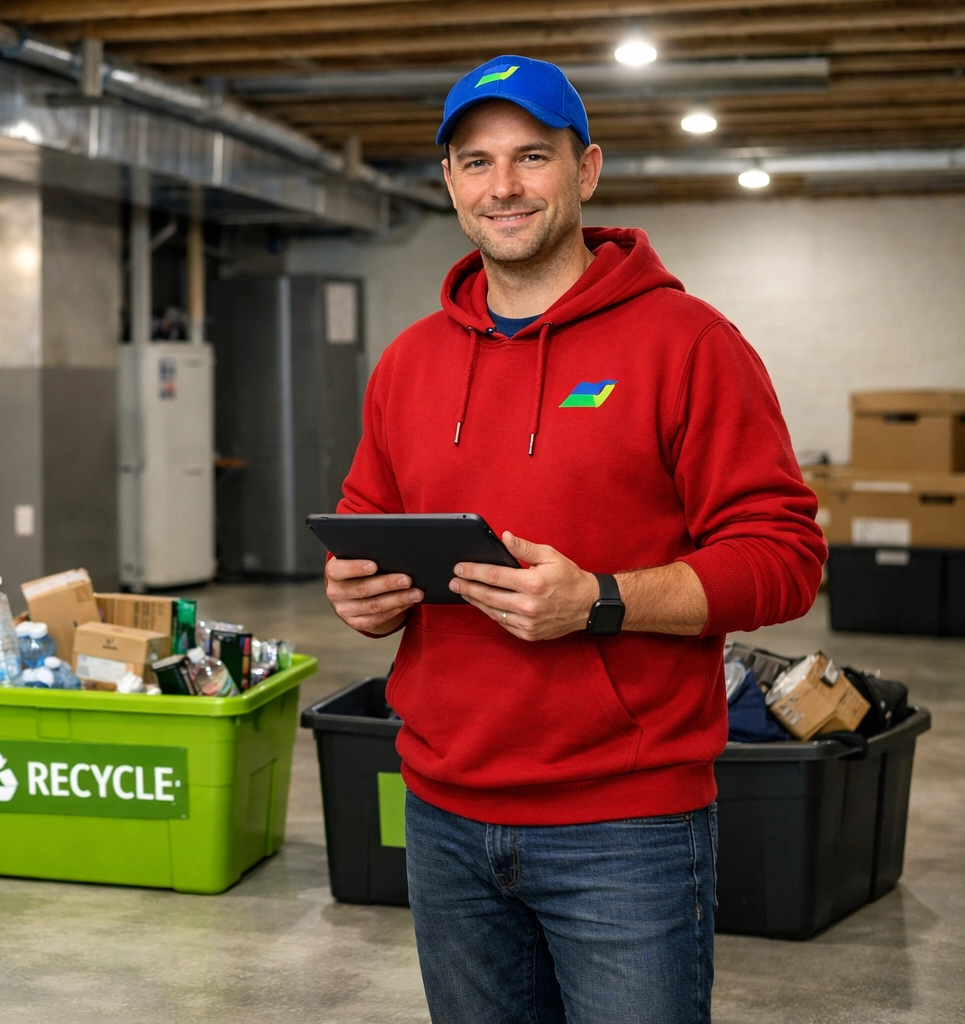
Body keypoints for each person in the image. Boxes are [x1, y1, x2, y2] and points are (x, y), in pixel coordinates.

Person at [324, 55, 825, 1024]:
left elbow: (785, 555)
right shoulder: (410, 362)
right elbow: (365, 530)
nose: (502, 186)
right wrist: (359, 595)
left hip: (625, 825)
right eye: (475, 162)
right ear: (449, 183)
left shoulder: (686, 342)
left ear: (585, 171)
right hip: (443, 809)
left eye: (530, 157)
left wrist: (600, 596)